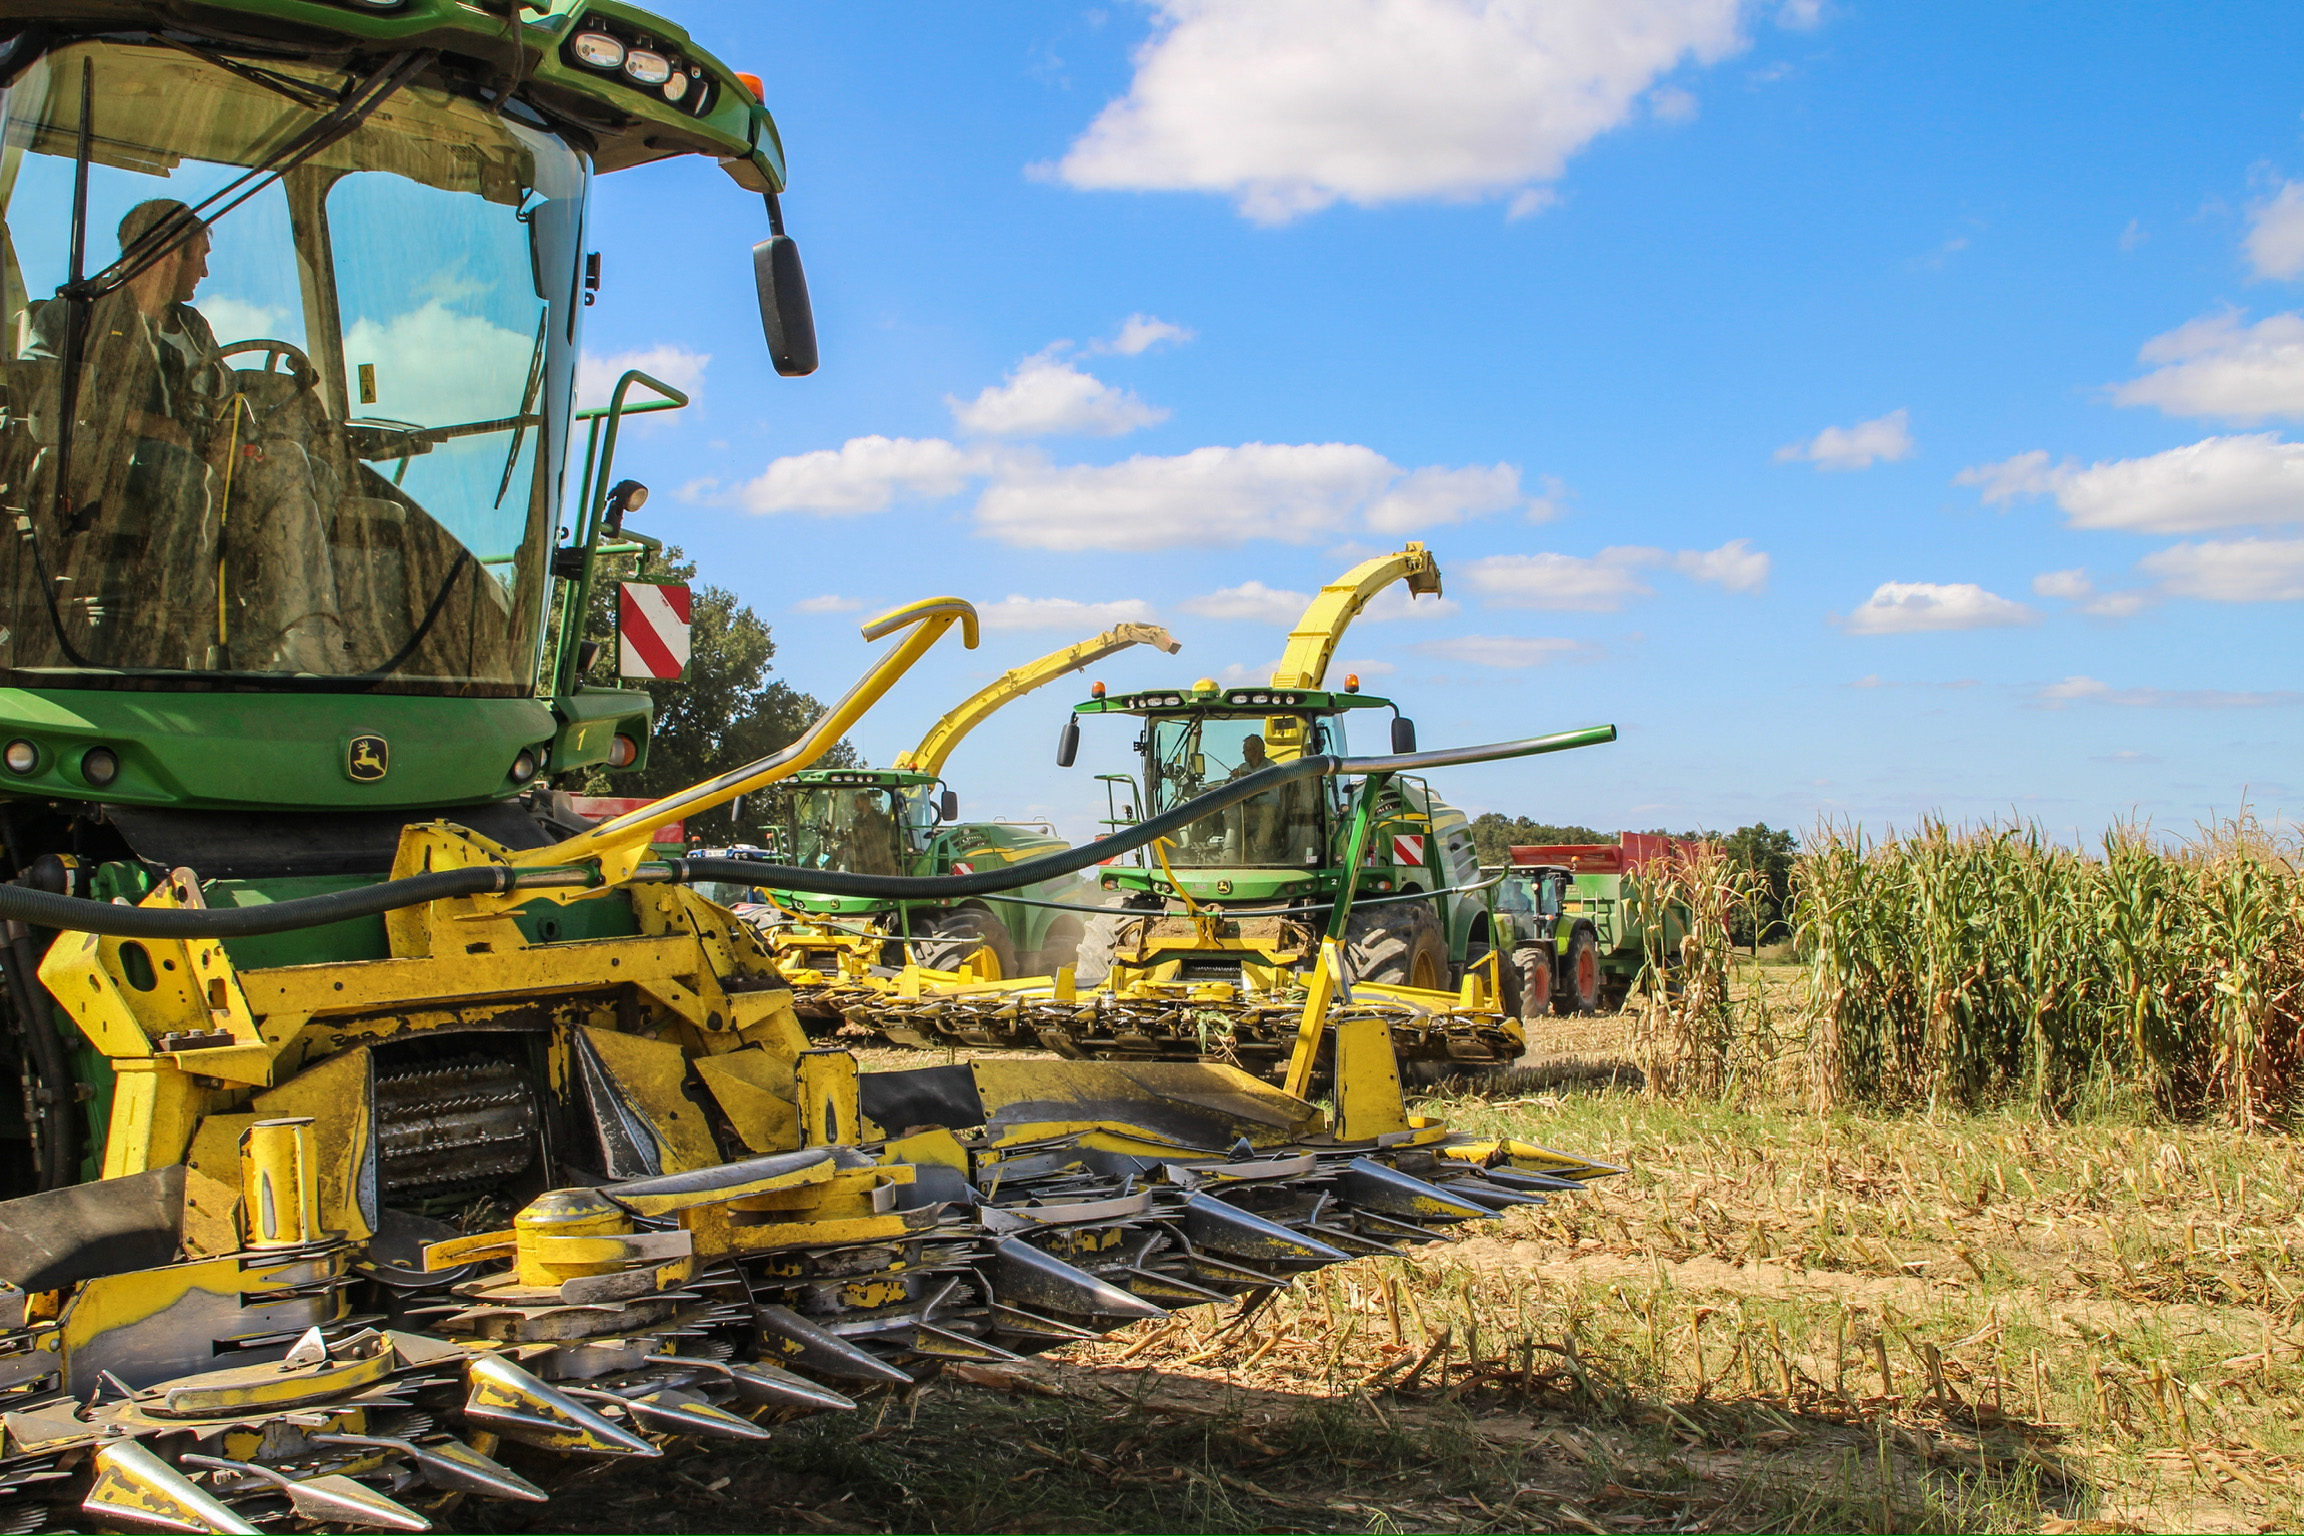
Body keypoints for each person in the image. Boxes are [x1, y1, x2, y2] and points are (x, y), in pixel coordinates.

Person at [31, 198, 343, 672]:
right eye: (199, 257)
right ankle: (189, 633)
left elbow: (226, 396)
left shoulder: (193, 326)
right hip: (113, 466)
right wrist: (143, 424)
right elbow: (43, 398)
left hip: (198, 456)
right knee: (184, 472)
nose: (205, 272)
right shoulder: (74, 315)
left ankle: (296, 631)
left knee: (308, 467)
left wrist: (235, 438)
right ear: (167, 253)